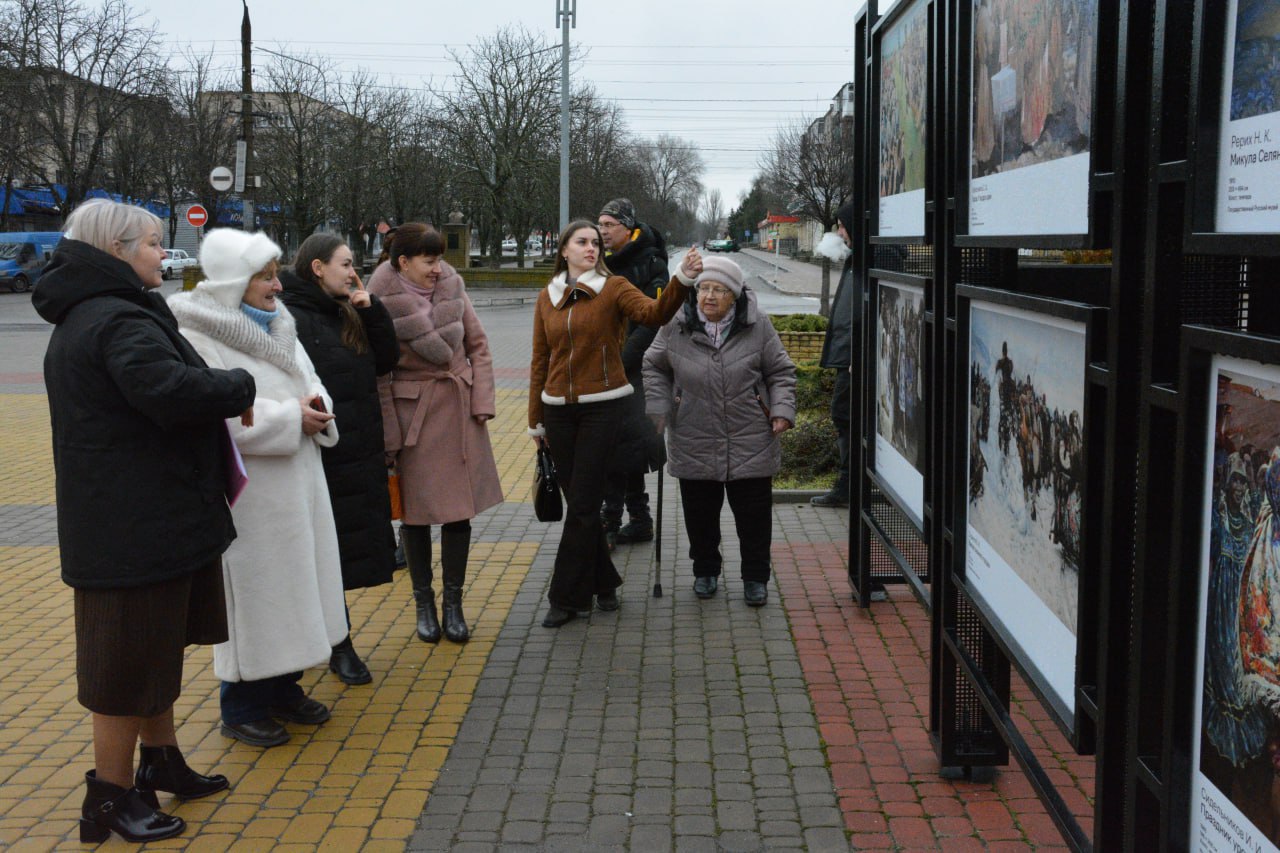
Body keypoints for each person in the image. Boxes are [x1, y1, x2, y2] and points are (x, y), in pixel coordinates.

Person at [34, 200, 256, 842]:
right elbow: (166, 389)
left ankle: (160, 761)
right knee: (124, 669)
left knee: (153, 653)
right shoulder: (113, 317)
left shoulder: (110, 309)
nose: (166, 253)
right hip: (133, 525)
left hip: (151, 515)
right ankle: (108, 796)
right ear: (117, 250)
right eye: (155, 243)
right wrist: (238, 385)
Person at [169, 229, 347, 749]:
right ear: (233, 283)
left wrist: (316, 407)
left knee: (295, 586)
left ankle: (284, 686)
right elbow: (215, 413)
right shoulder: (197, 331)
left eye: (275, 274)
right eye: (266, 277)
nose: (278, 286)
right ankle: (241, 703)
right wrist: (291, 419)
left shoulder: (278, 324)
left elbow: (307, 379)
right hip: (253, 492)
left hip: (299, 479)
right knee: (255, 595)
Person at [529, 220, 698, 628]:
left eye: (595, 243)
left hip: (604, 407)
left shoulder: (613, 288)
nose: (592, 247)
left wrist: (682, 280)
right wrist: (536, 422)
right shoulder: (546, 297)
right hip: (557, 411)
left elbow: (654, 313)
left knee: (585, 502)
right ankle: (604, 583)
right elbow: (539, 361)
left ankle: (565, 596)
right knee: (582, 507)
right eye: (582, 242)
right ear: (564, 250)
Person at [367, 223, 503, 644]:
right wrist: (388, 428)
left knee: (458, 510)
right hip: (415, 418)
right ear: (403, 262)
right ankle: (424, 603)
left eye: (440, 259)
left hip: (458, 408)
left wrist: (482, 401)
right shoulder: (375, 300)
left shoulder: (453, 287)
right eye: (429, 260)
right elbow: (377, 372)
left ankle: (454, 604)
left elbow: (478, 346)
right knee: (417, 514)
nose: (438, 268)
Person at [279, 233, 400, 685]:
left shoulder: (344, 310)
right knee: (317, 555)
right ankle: (335, 644)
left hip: (357, 451)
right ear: (317, 268)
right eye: (346, 264)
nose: (353, 272)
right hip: (321, 453)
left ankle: (332, 641)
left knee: (339, 554)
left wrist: (372, 310)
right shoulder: (290, 315)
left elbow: (385, 360)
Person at [643, 255, 797, 606]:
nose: (709, 296)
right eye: (703, 289)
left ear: (735, 295)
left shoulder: (758, 326)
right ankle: (705, 571)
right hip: (693, 431)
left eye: (719, 290)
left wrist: (782, 410)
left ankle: (756, 578)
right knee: (699, 514)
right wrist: (659, 404)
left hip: (752, 434)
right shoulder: (675, 326)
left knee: (754, 517)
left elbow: (781, 373)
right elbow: (653, 366)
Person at [596, 198, 669, 549]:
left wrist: (623, 359)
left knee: (631, 448)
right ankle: (617, 517)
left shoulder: (651, 262)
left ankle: (633, 519)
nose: (603, 231)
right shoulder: (598, 263)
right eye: (601, 224)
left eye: (609, 225)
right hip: (600, 369)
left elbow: (653, 320)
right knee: (607, 446)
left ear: (628, 227)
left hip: (636, 369)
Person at [811, 201, 860, 510]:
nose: (839, 232)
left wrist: (859, 353)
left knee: (845, 415)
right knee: (845, 416)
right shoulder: (857, 260)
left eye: (843, 226)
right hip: (848, 355)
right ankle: (851, 482)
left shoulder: (872, 262)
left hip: (857, 359)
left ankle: (848, 484)